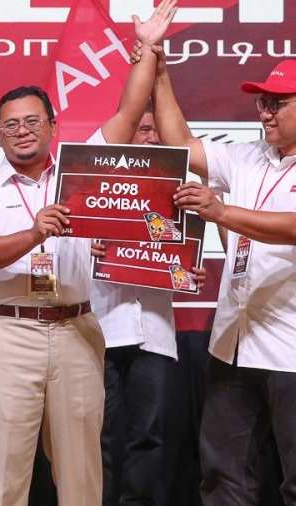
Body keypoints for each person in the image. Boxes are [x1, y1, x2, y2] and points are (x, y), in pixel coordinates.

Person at [0, 0, 176, 505]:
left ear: (53, 126)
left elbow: (127, 112)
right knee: (4, 471)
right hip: (10, 332)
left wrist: (147, 47)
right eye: (10, 125)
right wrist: (34, 234)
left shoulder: (82, 170)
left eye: (33, 121)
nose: (22, 131)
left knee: (81, 475)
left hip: (77, 328)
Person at [148, 52, 296, 505]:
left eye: (277, 103)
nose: (265, 112)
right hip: (234, 342)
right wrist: (161, 74)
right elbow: (181, 142)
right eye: (262, 103)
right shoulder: (248, 157)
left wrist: (220, 211)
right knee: (222, 476)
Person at [90, 98, 205, 506]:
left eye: (157, 130)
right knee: (95, 435)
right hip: (100, 328)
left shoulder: (182, 194)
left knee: (148, 435)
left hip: (154, 331)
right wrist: (86, 244)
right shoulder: (96, 188)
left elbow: (180, 260)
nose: (153, 136)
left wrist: (189, 271)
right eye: (143, 130)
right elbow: (60, 253)